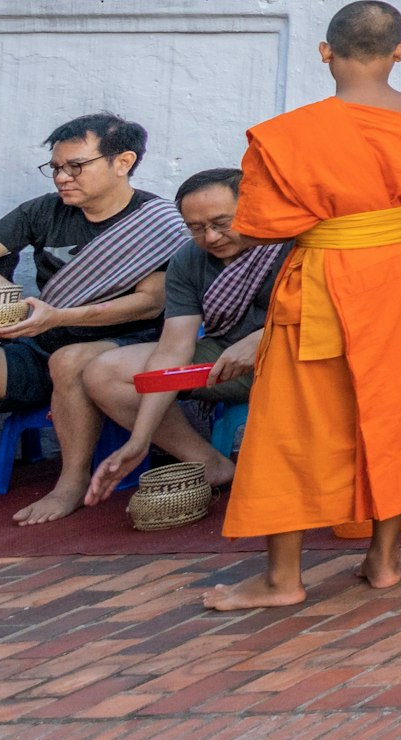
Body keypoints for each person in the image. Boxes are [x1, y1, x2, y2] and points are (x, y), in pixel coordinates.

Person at [212, 2, 401, 611]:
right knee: (394, 413)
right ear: (400, 51)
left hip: (323, 281)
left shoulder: (288, 134)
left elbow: (254, 228)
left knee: (292, 423)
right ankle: (383, 560)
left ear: (325, 51)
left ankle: (282, 579)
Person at [0, 114, 190, 524]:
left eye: (76, 166)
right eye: (56, 168)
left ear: (123, 161)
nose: (62, 177)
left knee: (70, 359)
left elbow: (148, 304)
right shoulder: (43, 211)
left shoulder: (155, 223)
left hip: (122, 346)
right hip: (40, 343)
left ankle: (71, 483)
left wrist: (60, 315)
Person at [69, 170, 279, 508]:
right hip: (223, 362)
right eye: (196, 228)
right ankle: (210, 464)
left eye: (221, 223)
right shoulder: (188, 259)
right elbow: (174, 348)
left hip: (298, 358)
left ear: (252, 208)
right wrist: (140, 439)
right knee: (103, 371)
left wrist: (265, 339)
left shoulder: (292, 244)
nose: (210, 237)